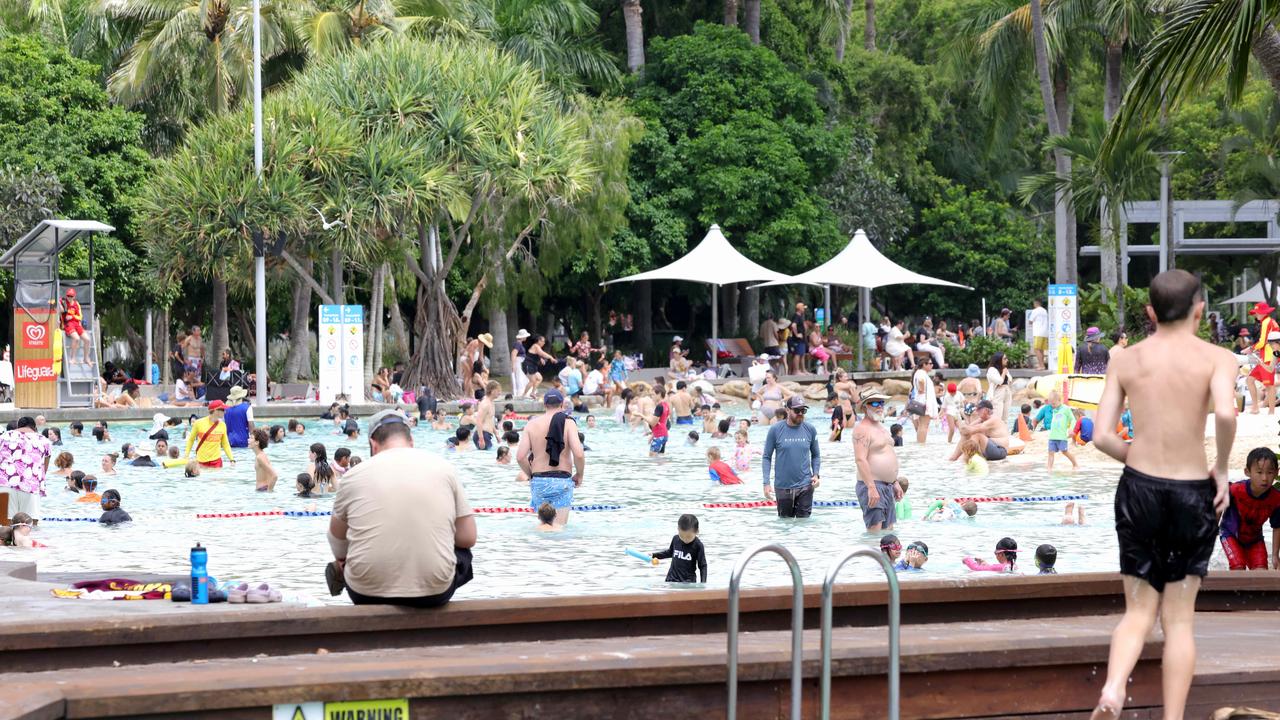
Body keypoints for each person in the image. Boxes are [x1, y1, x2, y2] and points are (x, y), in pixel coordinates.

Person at [1087, 269, 1237, 720]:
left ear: (1150, 313)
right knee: (1179, 621)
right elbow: (1227, 414)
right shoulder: (1218, 357)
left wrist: (1137, 457)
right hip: (1194, 492)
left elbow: (1099, 436)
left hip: (1139, 488)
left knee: (1137, 612)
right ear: (1200, 309)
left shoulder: (1125, 359)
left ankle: (1113, 690)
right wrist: (1225, 468)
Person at [327, 410, 476, 607]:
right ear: (411, 441)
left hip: (365, 592)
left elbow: (336, 538)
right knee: (463, 554)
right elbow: (468, 537)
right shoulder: (444, 468)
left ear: (373, 443)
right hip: (434, 592)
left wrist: (346, 559)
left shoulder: (353, 476)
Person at [516, 390, 586, 527]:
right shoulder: (568, 423)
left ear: (545, 405)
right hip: (562, 481)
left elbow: (520, 457)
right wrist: (579, 474)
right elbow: (579, 454)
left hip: (539, 481)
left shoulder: (531, 425)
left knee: (544, 527)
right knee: (559, 529)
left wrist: (531, 476)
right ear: (562, 404)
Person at [1218, 447, 1280, 571]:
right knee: (1238, 566)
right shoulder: (1235, 490)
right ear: (1247, 472)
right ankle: (1236, 590)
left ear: (1277, 472)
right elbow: (1219, 505)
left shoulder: (1276, 499)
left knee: (1261, 571)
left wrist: (1275, 555)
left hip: (1255, 539)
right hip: (1230, 535)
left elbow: (1277, 526)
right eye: (1259, 472)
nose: (1265, 478)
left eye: (1270, 472)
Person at [761, 395, 821, 518]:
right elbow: (767, 457)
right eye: (797, 410)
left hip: (805, 485)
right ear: (788, 410)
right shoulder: (775, 430)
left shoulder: (810, 429)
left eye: (803, 411)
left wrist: (816, 474)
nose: (800, 413)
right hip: (783, 486)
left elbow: (816, 455)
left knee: (803, 525)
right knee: (785, 526)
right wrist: (766, 483)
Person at [852, 389, 902, 531]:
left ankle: (884, 555)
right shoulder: (861, 429)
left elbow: (886, 453)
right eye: (875, 402)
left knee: (889, 532)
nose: (880, 406)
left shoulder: (882, 427)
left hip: (888, 486)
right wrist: (871, 488)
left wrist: (894, 481)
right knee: (875, 532)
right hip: (872, 485)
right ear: (865, 406)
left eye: (881, 402)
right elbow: (860, 460)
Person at [0, 416, 52, 520]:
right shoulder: (44, 440)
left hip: (5, 484)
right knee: (31, 523)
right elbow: (44, 468)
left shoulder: (3, 437)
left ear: (18, 427)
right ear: (34, 428)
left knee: (5, 523)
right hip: (31, 486)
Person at [648, 514, 707, 583]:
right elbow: (670, 552)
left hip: (688, 582)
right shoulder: (675, 539)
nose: (685, 539)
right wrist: (653, 555)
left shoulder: (698, 545)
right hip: (671, 579)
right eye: (682, 536)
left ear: (697, 531)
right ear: (678, 529)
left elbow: (702, 566)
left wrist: (703, 583)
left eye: (688, 537)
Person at [184, 401, 234, 469]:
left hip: (216, 462)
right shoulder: (198, 423)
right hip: (201, 462)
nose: (225, 412)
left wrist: (232, 459)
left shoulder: (223, 425)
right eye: (223, 410)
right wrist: (186, 455)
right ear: (215, 411)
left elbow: (225, 444)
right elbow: (191, 440)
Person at [1247, 330, 1280, 414]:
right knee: (1270, 386)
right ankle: (1271, 411)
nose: (1270, 346)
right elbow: (1271, 369)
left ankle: (1271, 411)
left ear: (1278, 342)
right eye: (1269, 344)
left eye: (1272, 344)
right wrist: (1261, 364)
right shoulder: (1275, 353)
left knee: (1270, 386)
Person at [1045, 392, 1079, 472]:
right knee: (1050, 452)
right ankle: (1049, 468)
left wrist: (1071, 429)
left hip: (1061, 436)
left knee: (1064, 451)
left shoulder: (1066, 409)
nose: (1052, 406)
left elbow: (1073, 419)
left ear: (1059, 400)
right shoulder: (1054, 410)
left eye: (1053, 404)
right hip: (1052, 436)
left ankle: (1075, 464)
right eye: (1051, 404)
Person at [910, 355, 937, 444]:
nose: (932, 365)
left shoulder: (919, 372)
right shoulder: (921, 373)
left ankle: (920, 443)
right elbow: (921, 381)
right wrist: (921, 388)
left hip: (921, 401)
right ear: (924, 365)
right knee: (924, 425)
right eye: (930, 363)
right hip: (924, 402)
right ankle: (921, 444)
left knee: (922, 425)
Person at [59, 288, 90, 365]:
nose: (69, 297)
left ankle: (86, 358)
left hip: (76, 324)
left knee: (87, 339)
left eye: (71, 296)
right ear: (66, 296)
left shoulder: (76, 304)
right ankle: (72, 358)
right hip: (68, 324)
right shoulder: (63, 302)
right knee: (76, 338)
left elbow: (80, 317)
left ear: (74, 296)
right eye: (68, 296)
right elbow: (54, 300)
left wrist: (72, 316)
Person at [986, 352, 1013, 424]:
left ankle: (1004, 433)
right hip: (998, 392)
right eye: (1004, 358)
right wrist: (1004, 373)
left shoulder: (1004, 369)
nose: (1007, 360)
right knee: (997, 415)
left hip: (1006, 391)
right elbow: (999, 381)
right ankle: (995, 433)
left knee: (1005, 416)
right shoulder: (992, 370)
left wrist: (1005, 372)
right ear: (998, 360)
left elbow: (1010, 379)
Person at [646, 386, 672, 457]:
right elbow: (664, 422)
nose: (652, 397)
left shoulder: (659, 406)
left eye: (653, 395)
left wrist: (641, 415)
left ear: (659, 394)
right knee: (661, 457)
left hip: (659, 436)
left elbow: (653, 423)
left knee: (652, 457)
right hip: (664, 435)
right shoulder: (665, 405)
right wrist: (653, 434)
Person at [249, 428, 277, 492]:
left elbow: (274, 476)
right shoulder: (260, 455)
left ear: (257, 442)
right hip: (262, 490)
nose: (248, 440)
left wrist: (269, 491)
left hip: (262, 490)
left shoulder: (260, 457)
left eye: (251, 438)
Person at [473, 380, 499, 451]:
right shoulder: (485, 404)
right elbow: (478, 421)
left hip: (486, 435)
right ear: (492, 391)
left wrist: (496, 433)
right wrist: (481, 439)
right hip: (482, 435)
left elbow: (490, 420)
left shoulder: (491, 402)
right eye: (498, 390)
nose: (499, 393)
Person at [1029, 298, 1049, 369]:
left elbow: (1030, 321)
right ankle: (1042, 364)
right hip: (1045, 332)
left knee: (1037, 349)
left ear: (1036, 303)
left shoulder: (1035, 311)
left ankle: (1041, 365)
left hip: (1038, 332)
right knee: (1041, 350)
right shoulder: (1045, 311)